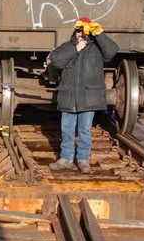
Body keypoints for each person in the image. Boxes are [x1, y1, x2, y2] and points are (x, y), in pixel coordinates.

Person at [47, 17, 118, 174]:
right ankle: (66, 159)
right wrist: (76, 49)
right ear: (75, 31)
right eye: (78, 31)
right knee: (67, 129)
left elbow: (112, 51)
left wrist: (99, 34)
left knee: (85, 130)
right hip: (69, 97)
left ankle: (83, 160)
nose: (81, 34)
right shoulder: (67, 47)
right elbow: (56, 60)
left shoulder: (97, 49)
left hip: (88, 98)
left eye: (84, 31)